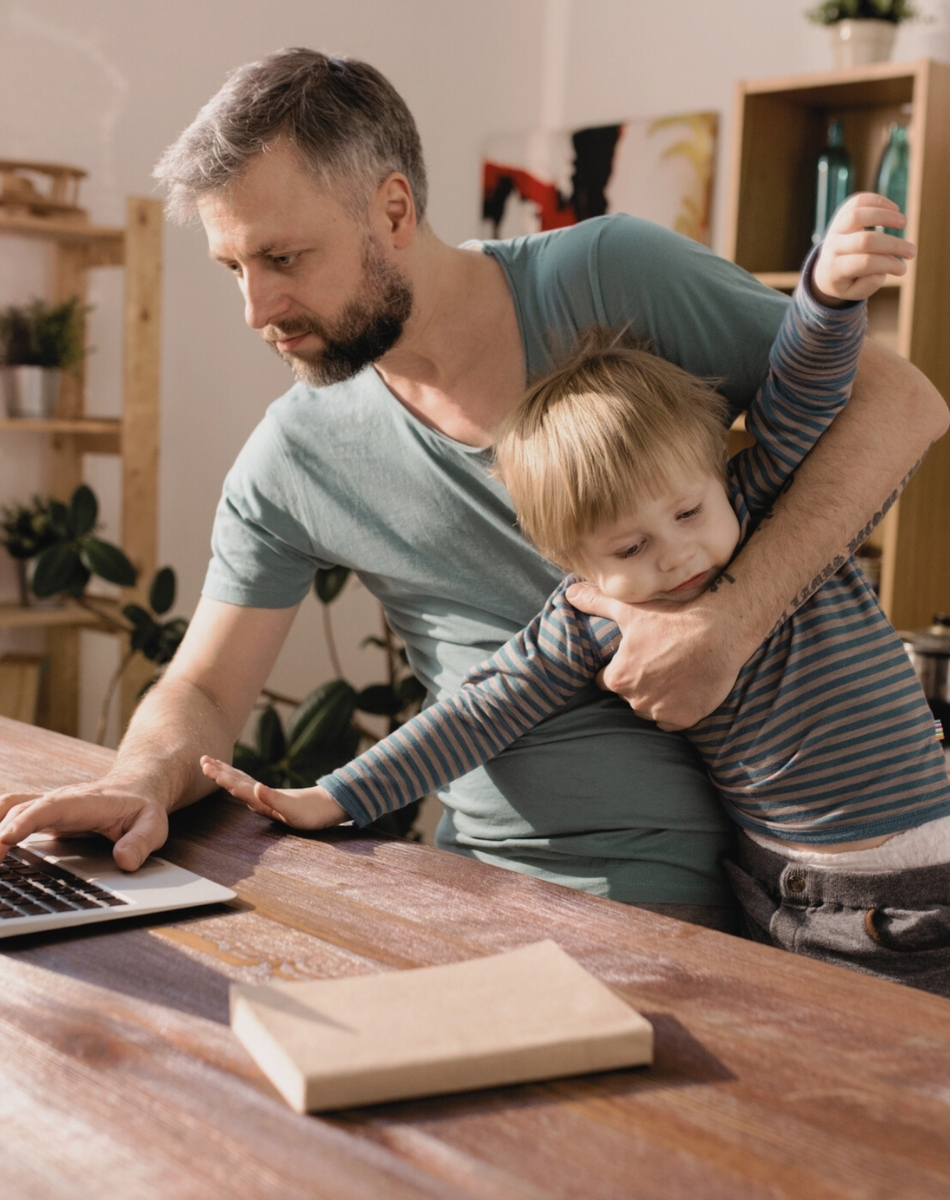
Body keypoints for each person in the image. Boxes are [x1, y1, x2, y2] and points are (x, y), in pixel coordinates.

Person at [0, 51, 945, 932]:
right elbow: (206, 685)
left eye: (282, 259)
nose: (257, 310)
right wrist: (139, 779)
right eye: (233, 269)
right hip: (467, 886)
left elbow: (899, 402)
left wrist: (730, 624)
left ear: (394, 211)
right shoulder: (294, 454)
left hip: (705, 898)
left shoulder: (610, 277)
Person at [201, 193, 950, 993]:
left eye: (688, 512)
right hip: (776, 895)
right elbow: (476, 714)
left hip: (915, 882)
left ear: (714, 474)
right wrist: (334, 798)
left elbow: (806, 390)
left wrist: (828, 296)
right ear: (573, 560)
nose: (677, 554)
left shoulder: (754, 499)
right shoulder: (591, 616)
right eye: (630, 548)